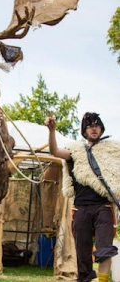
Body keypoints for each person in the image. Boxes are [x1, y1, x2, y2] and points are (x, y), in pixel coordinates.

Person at [45, 111, 119, 282]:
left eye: (96, 125)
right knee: (83, 253)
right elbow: (54, 151)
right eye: (89, 126)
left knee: (105, 249)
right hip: (81, 208)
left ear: (101, 128)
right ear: (84, 131)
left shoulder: (112, 151)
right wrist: (51, 130)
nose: (94, 129)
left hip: (103, 208)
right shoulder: (76, 151)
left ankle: (102, 280)